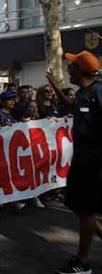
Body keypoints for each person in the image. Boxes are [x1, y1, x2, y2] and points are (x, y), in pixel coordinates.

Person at [50, 51, 102, 274]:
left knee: (86, 210)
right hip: (83, 160)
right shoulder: (84, 93)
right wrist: (55, 87)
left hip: (94, 161)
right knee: (80, 207)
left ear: (80, 70)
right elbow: (70, 107)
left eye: (71, 66)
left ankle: (82, 262)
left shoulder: (98, 92)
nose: (67, 69)